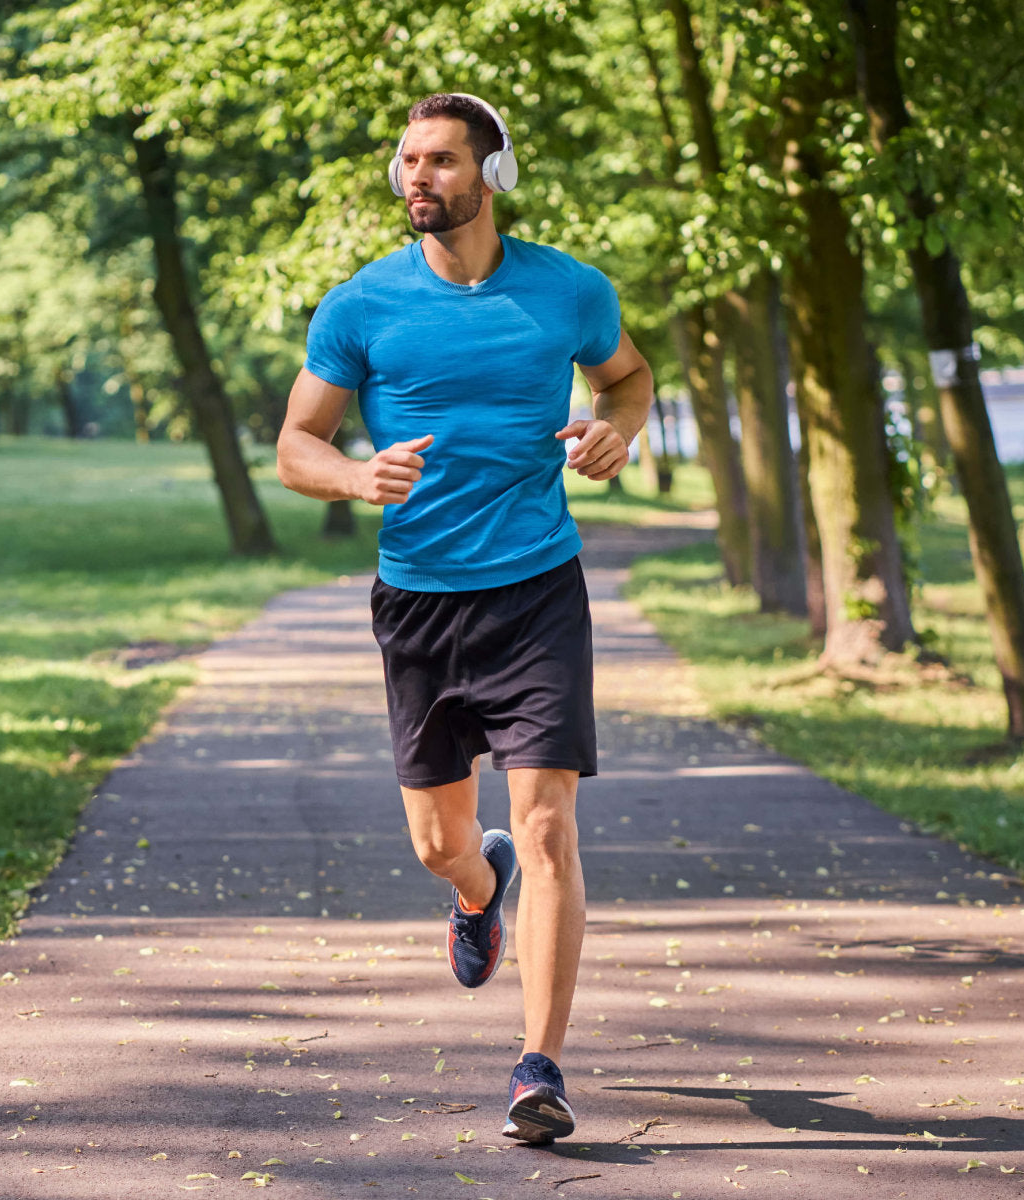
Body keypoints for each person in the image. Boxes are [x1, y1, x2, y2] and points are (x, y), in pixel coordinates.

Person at [276, 92, 653, 1143]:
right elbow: (295, 444)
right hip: (418, 601)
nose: (416, 178)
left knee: (548, 828)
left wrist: (617, 430)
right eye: (406, 161)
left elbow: (627, 378)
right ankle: (473, 892)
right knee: (442, 843)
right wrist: (355, 478)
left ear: (492, 172)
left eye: (439, 160)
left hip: (537, 589)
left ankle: (540, 1069)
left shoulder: (568, 290)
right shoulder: (361, 305)